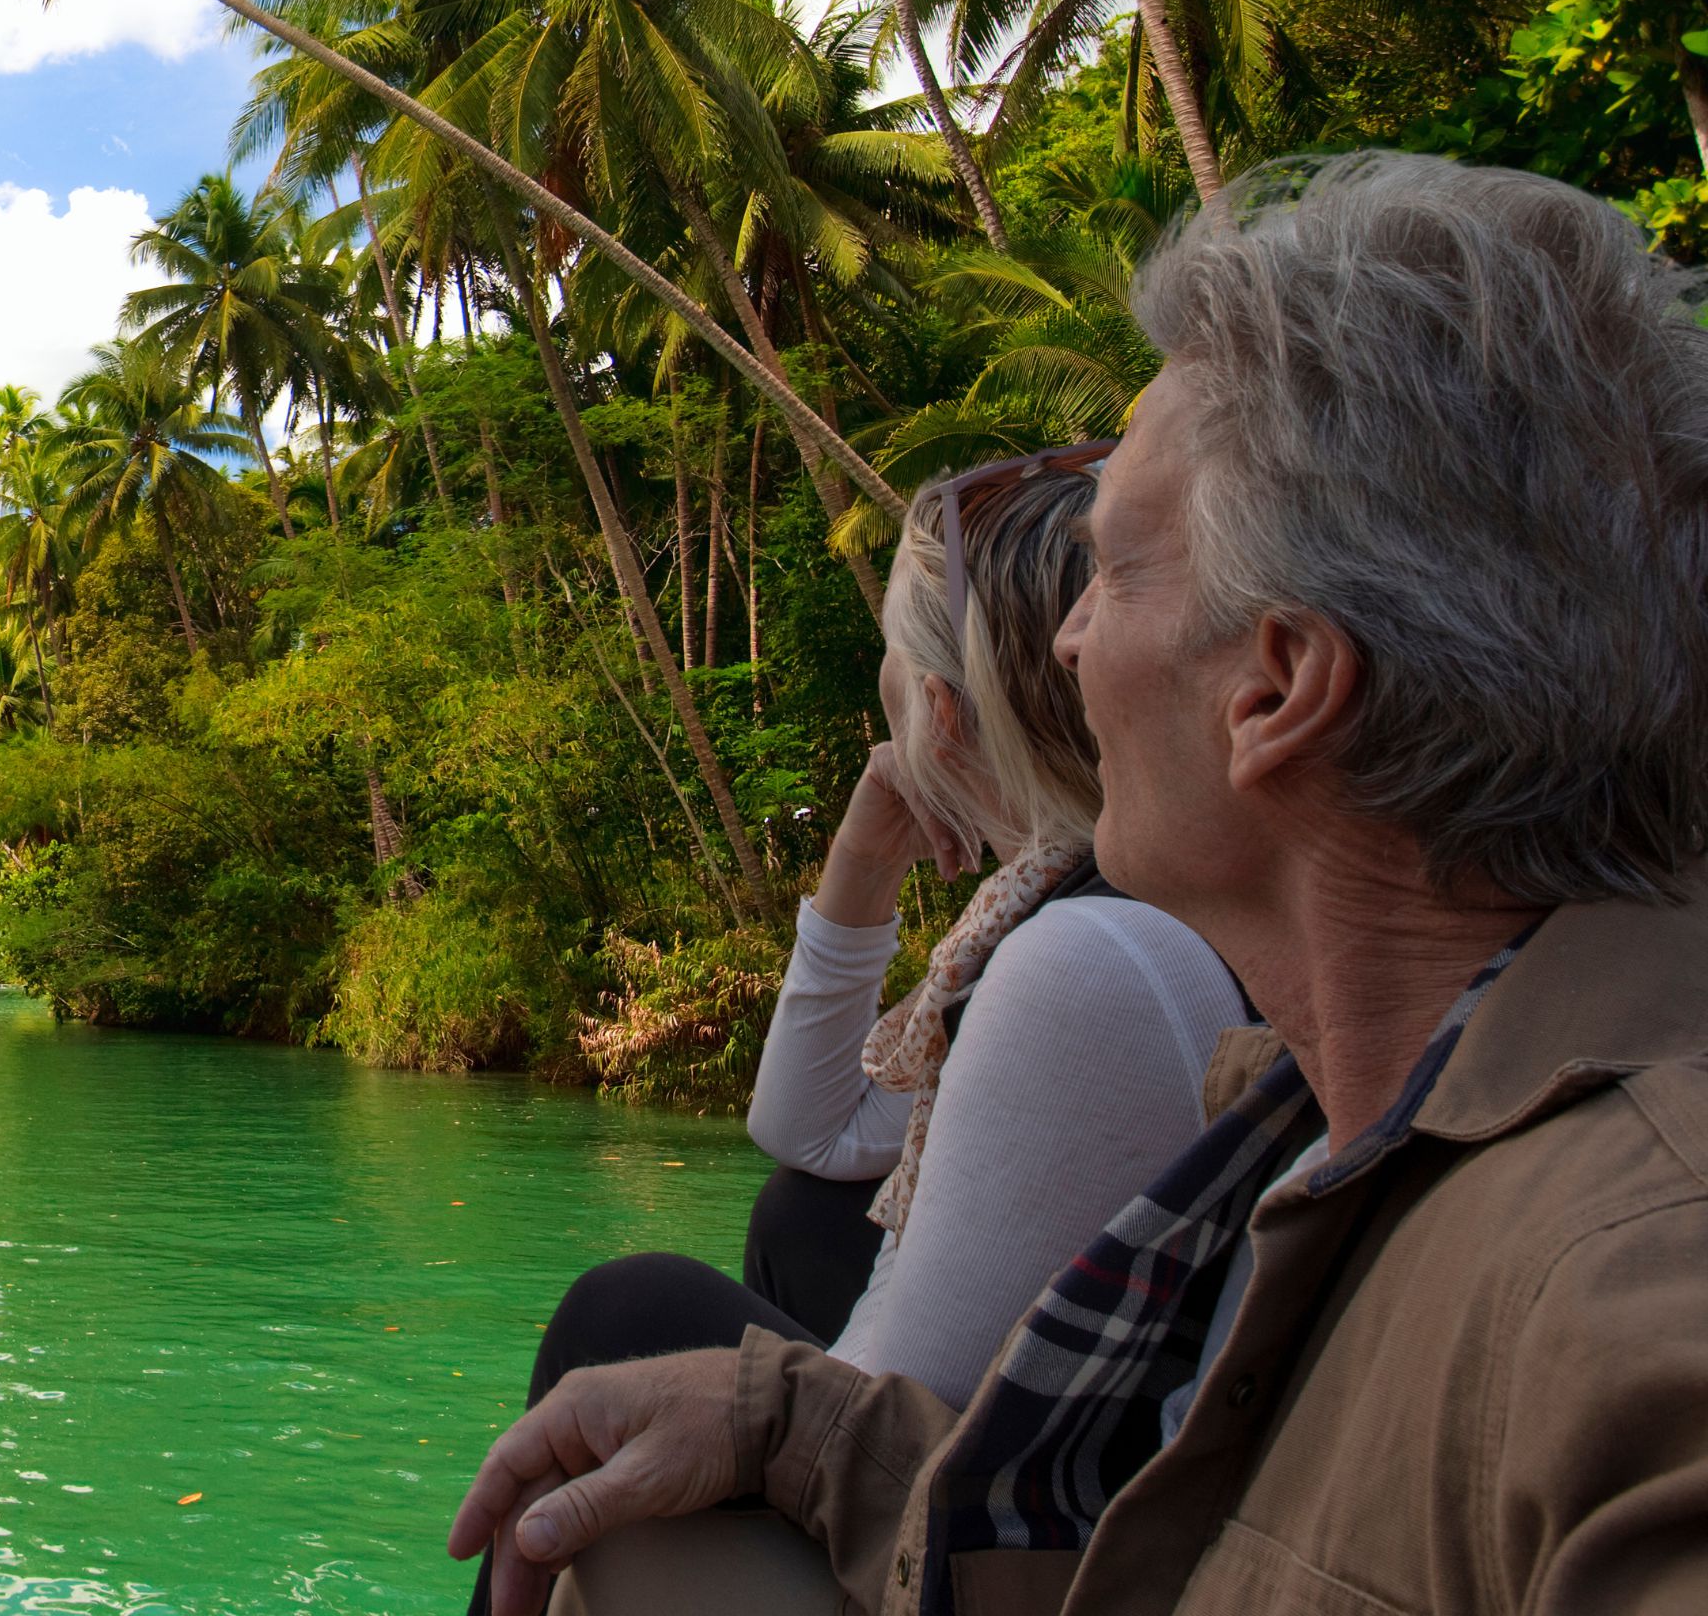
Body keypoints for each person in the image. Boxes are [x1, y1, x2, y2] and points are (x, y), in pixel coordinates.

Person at [450, 152, 1708, 1614]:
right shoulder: (1321, 1116)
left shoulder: (1631, 1293)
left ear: (1276, 688)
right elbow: (1184, 1543)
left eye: (1111, 573)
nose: (1064, 645)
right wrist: (786, 1424)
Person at [473, 453, 1248, 1615]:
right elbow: (806, 1130)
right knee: (803, 1213)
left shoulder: (1083, 958)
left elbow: (876, 1414)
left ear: (937, 710)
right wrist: (861, 861)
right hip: (1046, 1475)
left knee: (625, 1313)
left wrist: (729, 1410)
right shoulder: (1065, 914)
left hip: (968, 1545)